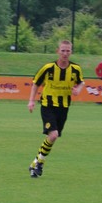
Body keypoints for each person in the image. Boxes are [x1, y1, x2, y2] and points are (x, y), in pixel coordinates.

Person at [27, 40, 84, 178]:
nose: (65, 53)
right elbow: (36, 83)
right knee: (53, 135)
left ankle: (35, 163)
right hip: (48, 105)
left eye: (68, 51)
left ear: (71, 52)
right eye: (63, 50)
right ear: (58, 51)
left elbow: (81, 82)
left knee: (52, 137)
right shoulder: (48, 68)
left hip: (63, 107)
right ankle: (40, 163)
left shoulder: (75, 69)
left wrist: (78, 89)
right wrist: (31, 101)